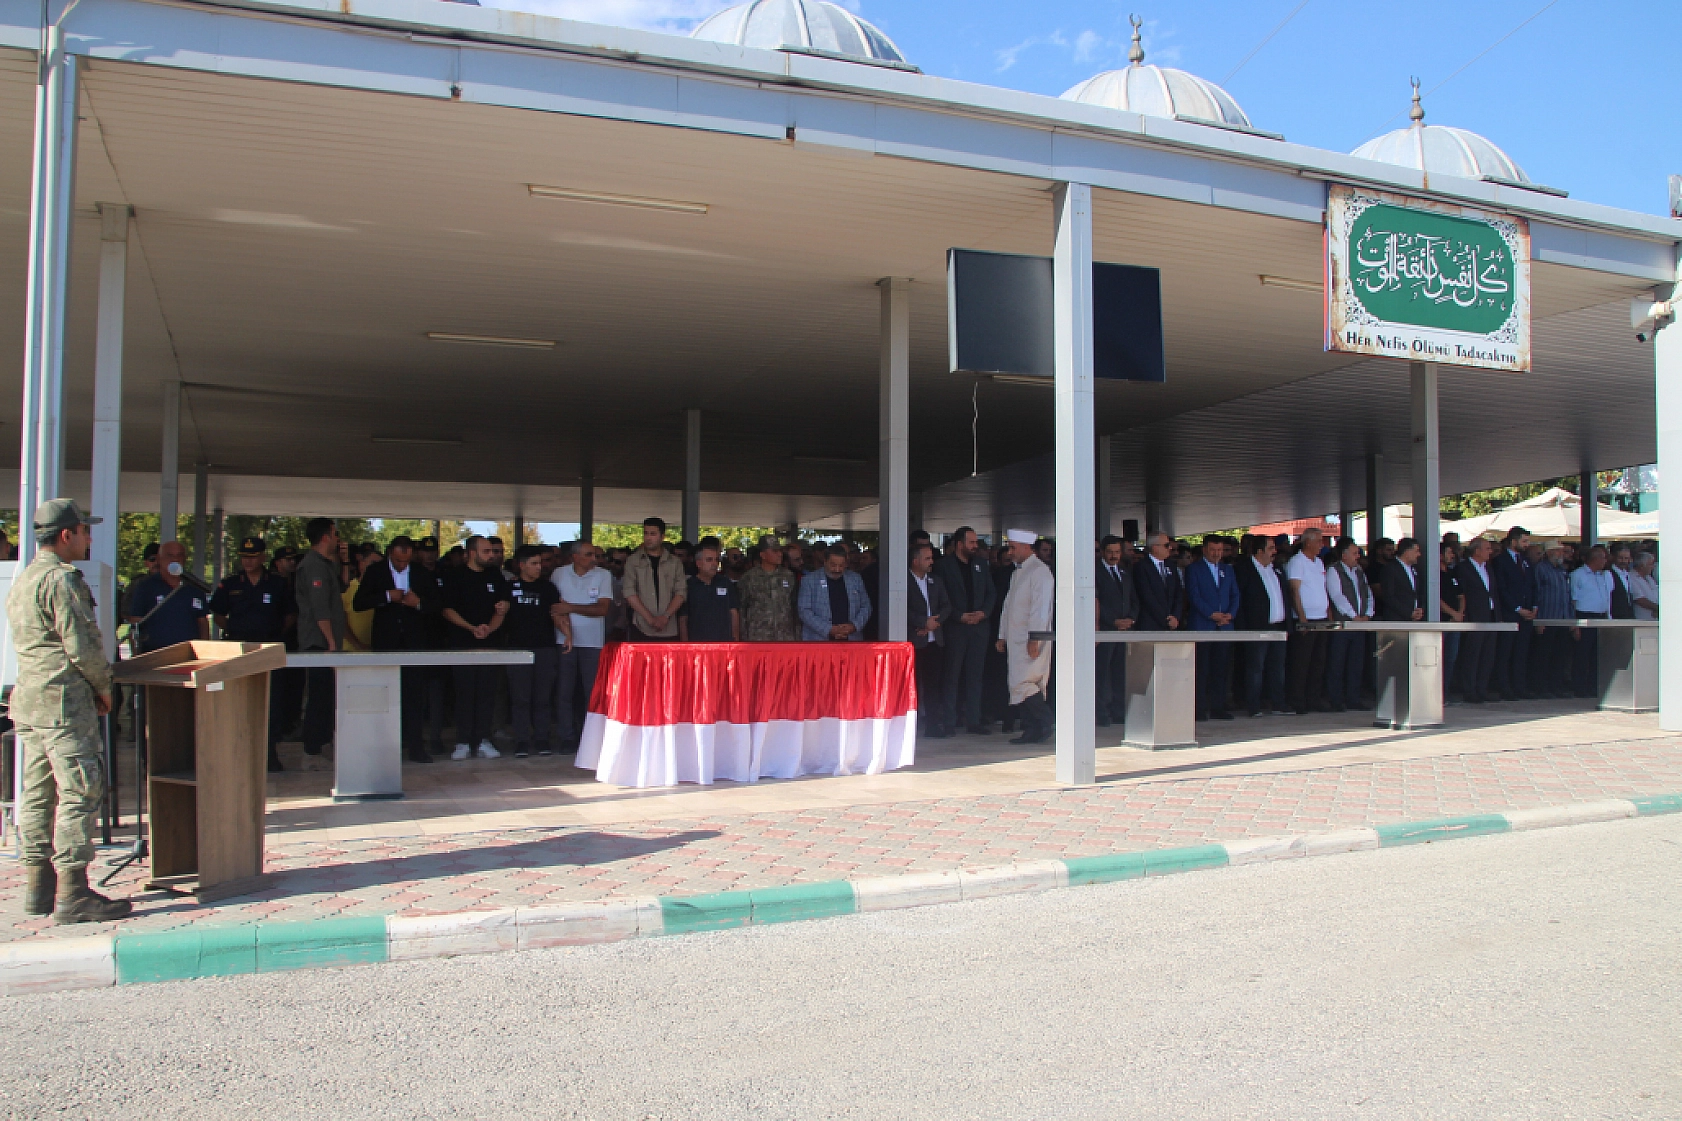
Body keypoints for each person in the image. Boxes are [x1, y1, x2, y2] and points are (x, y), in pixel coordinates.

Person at [10, 499, 132, 923]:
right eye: (84, 531)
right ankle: (73, 893)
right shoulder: (62, 580)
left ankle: (38, 887)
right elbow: (82, 645)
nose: (88, 538)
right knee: (80, 791)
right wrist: (105, 689)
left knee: (37, 793)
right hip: (64, 703)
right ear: (66, 535)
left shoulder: (25, 579)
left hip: (30, 701)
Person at [352, 535, 440, 763]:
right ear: (390, 553)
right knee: (385, 694)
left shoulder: (420, 573)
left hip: (413, 643)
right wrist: (386, 596)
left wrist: (418, 604)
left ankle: (415, 746)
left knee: (414, 696)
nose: (402, 565)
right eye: (399, 561)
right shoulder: (376, 571)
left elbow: (437, 604)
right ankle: (385, 745)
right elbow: (359, 603)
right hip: (386, 642)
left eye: (406, 561)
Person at [211, 536, 296, 771]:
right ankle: (239, 751)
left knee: (272, 702)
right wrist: (234, 630)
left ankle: (269, 751)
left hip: (268, 647)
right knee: (239, 700)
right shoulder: (230, 584)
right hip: (239, 648)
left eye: (253, 557)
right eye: (244, 557)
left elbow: (290, 614)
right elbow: (218, 614)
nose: (248, 561)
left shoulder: (277, 584)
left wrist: (274, 633)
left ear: (262, 557)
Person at [441, 534, 511, 759]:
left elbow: (503, 606)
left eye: (492, 551)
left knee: (486, 693)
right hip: (462, 643)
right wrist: (471, 628)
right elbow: (447, 609)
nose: (491, 555)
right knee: (464, 693)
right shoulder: (455, 576)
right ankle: (462, 741)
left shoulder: (495, 575)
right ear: (472, 553)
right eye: (486, 551)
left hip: (489, 643)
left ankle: (483, 739)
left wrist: (489, 628)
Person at [503, 545, 568, 757]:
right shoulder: (509, 587)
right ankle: (521, 740)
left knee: (543, 697)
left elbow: (557, 614)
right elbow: (499, 614)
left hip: (544, 648)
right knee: (520, 697)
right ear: (522, 565)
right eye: (534, 564)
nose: (539, 567)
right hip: (517, 648)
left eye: (540, 563)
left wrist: (568, 634)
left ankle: (542, 739)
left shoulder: (548, 588)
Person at [934, 527, 997, 735]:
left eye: (976, 542)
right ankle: (949, 721)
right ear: (959, 544)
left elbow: (991, 593)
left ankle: (974, 720)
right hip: (955, 628)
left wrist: (983, 613)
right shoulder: (944, 566)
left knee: (975, 676)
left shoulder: (981, 564)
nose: (975, 546)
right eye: (971, 542)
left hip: (979, 628)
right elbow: (940, 597)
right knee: (952, 675)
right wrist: (958, 615)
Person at [294, 518, 347, 762]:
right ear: (325, 537)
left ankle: (322, 742)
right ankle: (313, 747)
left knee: (327, 693)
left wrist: (344, 560)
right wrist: (331, 641)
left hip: (326, 641)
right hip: (319, 642)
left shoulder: (326, 564)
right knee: (319, 695)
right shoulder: (313, 566)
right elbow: (319, 608)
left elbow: (341, 587)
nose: (338, 539)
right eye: (335, 534)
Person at [995, 530, 1055, 744]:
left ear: (1026, 547)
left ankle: (1045, 722)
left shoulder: (1040, 572)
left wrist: (1034, 638)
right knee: (1019, 684)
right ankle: (1032, 729)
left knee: (1026, 683)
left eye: (1013, 547)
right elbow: (1008, 607)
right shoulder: (1018, 572)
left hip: (1031, 639)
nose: (1009, 552)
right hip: (1016, 638)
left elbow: (1041, 609)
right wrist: (1002, 635)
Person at [552, 541, 612, 750]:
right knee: (564, 691)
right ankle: (566, 737)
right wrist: (567, 615)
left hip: (592, 642)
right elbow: (555, 608)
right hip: (563, 640)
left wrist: (570, 607)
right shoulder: (559, 574)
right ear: (575, 557)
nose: (594, 559)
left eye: (594, 555)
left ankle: (591, 737)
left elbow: (602, 609)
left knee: (591, 691)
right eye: (588, 555)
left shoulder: (603, 575)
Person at [1185, 536, 1239, 721]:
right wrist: (1211, 614)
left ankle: (1218, 707)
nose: (1217, 554)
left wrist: (1230, 614)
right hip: (1203, 625)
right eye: (1213, 550)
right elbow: (1194, 596)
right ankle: (1198, 708)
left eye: (1220, 550)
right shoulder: (1194, 569)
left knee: (1220, 669)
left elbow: (1235, 594)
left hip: (1224, 627)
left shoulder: (1227, 569)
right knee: (1201, 669)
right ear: (1205, 550)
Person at [125, 539, 210, 654]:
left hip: (189, 656)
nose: (175, 559)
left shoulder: (194, 588)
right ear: (159, 559)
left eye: (179, 555)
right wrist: (136, 656)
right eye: (169, 555)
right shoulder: (145, 587)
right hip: (155, 656)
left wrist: (204, 652)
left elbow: (202, 623)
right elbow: (135, 623)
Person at [1235, 535, 1287, 717]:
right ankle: (1253, 705)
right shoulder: (1244, 569)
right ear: (1259, 551)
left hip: (1278, 627)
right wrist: (1243, 628)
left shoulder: (1276, 568)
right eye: (1271, 548)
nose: (1275, 552)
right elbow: (1240, 600)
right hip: (1256, 628)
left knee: (1277, 667)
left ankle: (1278, 703)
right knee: (1255, 668)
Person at [908, 541, 953, 738]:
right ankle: (911, 724)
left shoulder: (936, 580)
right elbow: (902, 608)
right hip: (914, 641)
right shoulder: (904, 581)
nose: (931, 561)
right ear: (915, 561)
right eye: (927, 558)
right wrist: (922, 622)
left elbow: (947, 605)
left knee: (933, 685)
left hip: (935, 641)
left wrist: (935, 623)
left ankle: (933, 725)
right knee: (912, 685)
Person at [1283, 528, 1331, 714]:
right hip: (1306, 618)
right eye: (1318, 541)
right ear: (1308, 542)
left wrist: (1328, 612)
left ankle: (1313, 699)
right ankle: (1297, 700)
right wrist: (1302, 618)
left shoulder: (1319, 562)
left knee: (1318, 662)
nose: (1321, 545)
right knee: (1301, 662)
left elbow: (1322, 588)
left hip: (1321, 618)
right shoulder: (1297, 562)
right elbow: (1294, 590)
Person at [1322, 539, 1373, 713]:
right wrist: (1353, 616)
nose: (1358, 556)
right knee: (1337, 663)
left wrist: (1368, 614)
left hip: (1359, 625)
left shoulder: (1359, 571)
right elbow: (1337, 596)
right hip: (1342, 624)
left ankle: (1353, 698)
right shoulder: (1333, 570)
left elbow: (1367, 593)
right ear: (1344, 555)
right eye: (1354, 553)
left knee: (1356, 663)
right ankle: (1335, 699)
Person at [1094, 535, 1138, 727]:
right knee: (1102, 674)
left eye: (1117, 552)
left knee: (1121, 672)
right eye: (1110, 552)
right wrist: (1113, 621)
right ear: (1103, 552)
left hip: (1124, 631)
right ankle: (1101, 712)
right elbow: (1096, 602)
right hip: (1105, 630)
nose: (1114, 556)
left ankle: (1119, 711)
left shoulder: (1125, 572)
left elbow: (1134, 599)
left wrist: (1131, 619)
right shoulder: (1094, 572)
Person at [622, 517, 686, 642]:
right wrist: (650, 619)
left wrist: (665, 617)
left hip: (669, 627)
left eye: (653, 534)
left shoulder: (675, 562)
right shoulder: (632, 561)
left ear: (662, 537)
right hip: (641, 626)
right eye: (645, 533)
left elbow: (681, 592)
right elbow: (629, 592)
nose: (648, 538)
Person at [1491, 527, 1537, 700]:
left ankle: (1520, 686)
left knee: (1521, 652)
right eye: (1524, 541)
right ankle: (1504, 687)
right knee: (1506, 652)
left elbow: (1532, 585)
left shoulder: (1525, 561)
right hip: (1510, 614)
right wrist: (1517, 608)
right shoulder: (1500, 561)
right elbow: (1501, 588)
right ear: (1514, 541)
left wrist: (1534, 606)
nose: (1527, 544)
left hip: (1527, 613)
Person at [1455, 537, 1501, 703]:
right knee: (1472, 654)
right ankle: (1469, 689)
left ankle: (1482, 688)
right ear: (1477, 551)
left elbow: (1493, 592)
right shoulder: (1463, 568)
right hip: (1474, 616)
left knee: (1487, 654)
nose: (1490, 551)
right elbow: (1463, 593)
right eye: (1487, 548)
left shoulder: (1488, 567)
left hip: (1490, 615)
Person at [1529, 541, 1575, 699]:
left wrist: (1570, 620)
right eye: (1558, 551)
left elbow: (1567, 596)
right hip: (1547, 618)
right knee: (1544, 655)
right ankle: (1541, 687)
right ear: (1549, 552)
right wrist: (1539, 620)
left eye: (1562, 551)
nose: (1561, 554)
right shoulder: (1541, 569)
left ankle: (1556, 686)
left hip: (1562, 619)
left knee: (1559, 655)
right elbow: (1537, 594)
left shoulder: (1562, 570)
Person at [798, 546, 872, 641]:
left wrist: (854, 626)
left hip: (851, 638)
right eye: (833, 565)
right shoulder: (809, 580)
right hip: (819, 639)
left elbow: (866, 606)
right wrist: (829, 629)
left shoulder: (855, 579)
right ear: (825, 561)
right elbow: (804, 611)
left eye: (841, 565)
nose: (837, 569)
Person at [1569, 545, 1615, 696]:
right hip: (1584, 615)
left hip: (1601, 616)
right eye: (1603, 558)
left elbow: (1608, 597)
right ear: (1595, 559)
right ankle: (1579, 687)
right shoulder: (1578, 575)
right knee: (1583, 653)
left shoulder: (1604, 575)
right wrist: (1575, 624)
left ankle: (1594, 686)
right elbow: (1573, 600)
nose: (1605, 561)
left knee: (1597, 653)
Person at [737, 536, 800, 641]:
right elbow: (742, 610)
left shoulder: (788, 576)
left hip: (785, 638)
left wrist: (797, 637)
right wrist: (743, 638)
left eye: (780, 550)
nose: (779, 554)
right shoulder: (749, 578)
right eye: (775, 551)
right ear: (762, 555)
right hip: (758, 638)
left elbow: (795, 609)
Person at [678, 543, 740, 641]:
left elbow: (733, 613)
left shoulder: (725, 583)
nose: (714, 564)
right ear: (698, 563)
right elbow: (683, 618)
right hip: (697, 643)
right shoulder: (688, 586)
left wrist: (735, 640)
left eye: (716, 560)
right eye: (709, 560)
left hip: (724, 642)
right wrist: (685, 645)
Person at [1132, 532, 1182, 632]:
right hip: (1150, 624)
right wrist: (1165, 618)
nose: (1170, 548)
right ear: (1155, 548)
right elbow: (1146, 596)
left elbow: (1178, 593)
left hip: (1172, 623)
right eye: (1166, 545)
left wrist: (1175, 616)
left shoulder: (1171, 565)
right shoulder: (1141, 567)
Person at [1377, 537, 1425, 622]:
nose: (1419, 554)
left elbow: (1418, 592)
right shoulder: (1390, 569)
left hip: (1414, 620)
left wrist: (1420, 609)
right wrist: (1409, 613)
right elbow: (1389, 596)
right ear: (1407, 552)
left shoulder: (1415, 569)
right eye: (1416, 551)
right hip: (1396, 620)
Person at [1609, 545, 1637, 620]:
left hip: (1627, 615)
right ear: (1614, 557)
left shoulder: (1627, 574)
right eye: (1620, 558)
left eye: (1626, 558)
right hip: (1615, 616)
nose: (1623, 561)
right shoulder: (1609, 574)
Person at [1630, 551, 1659, 620]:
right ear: (1642, 566)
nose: (1653, 567)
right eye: (1651, 564)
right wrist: (1658, 608)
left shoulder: (1649, 578)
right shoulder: (1631, 577)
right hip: (1642, 620)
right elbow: (1639, 599)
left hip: (1654, 619)